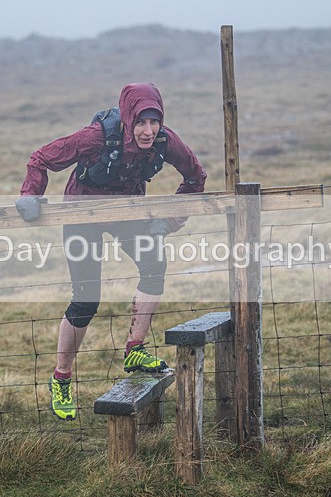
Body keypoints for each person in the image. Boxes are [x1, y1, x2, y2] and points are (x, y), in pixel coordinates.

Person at [15, 82, 207, 420]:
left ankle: (135, 350)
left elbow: (195, 177)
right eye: (141, 123)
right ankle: (62, 378)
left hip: (126, 213)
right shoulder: (96, 138)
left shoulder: (166, 141)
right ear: (129, 119)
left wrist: (170, 220)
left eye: (154, 122)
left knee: (155, 264)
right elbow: (41, 158)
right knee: (87, 299)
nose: (148, 131)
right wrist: (30, 194)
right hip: (81, 214)